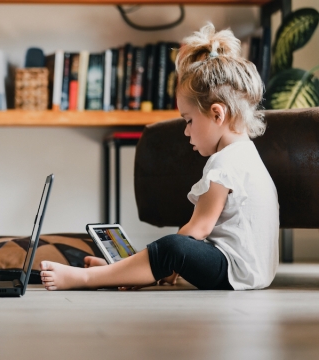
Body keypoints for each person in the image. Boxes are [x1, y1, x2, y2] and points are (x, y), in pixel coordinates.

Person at [40, 23, 279, 291]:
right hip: (255, 271)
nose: (186, 132)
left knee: (172, 246)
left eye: (188, 121)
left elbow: (198, 230)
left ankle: (86, 278)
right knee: (173, 248)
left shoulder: (223, 164)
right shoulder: (249, 156)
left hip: (234, 271)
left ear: (216, 114)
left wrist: (169, 258)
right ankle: (124, 270)